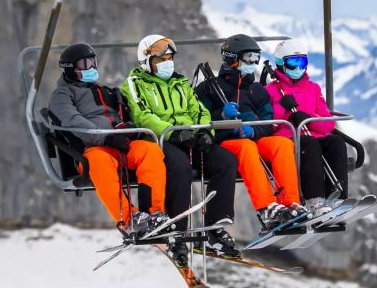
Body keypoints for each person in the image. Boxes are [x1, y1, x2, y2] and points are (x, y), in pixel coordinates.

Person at [120, 34, 241, 260]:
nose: (167, 63)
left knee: (226, 161)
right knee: (180, 166)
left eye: (169, 58)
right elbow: (142, 116)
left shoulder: (181, 83)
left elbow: (198, 110)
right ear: (146, 61)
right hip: (161, 139)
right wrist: (174, 133)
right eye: (160, 59)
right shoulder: (135, 84)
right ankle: (177, 231)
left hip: (190, 136)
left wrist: (206, 131)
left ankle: (215, 226)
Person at [48, 42, 169, 236]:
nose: (91, 68)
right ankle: (130, 220)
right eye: (85, 64)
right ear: (70, 69)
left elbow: (120, 118)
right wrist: (106, 138)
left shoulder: (105, 91)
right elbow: (72, 120)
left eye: (93, 62)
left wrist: (129, 128)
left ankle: (154, 214)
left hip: (122, 145)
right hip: (93, 151)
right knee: (99, 161)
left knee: (150, 150)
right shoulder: (62, 95)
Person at [194, 34, 310, 230]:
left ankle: (291, 202)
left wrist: (253, 131)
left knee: (281, 144)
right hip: (224, 143)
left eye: (256, 58)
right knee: (246, 147)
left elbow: (269, 121)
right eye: (249, 58)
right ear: (232, 58)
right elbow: (199, 120)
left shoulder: (257, 90)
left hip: (253, 138)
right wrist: (221, 116)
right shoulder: (208, 89)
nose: (253, 63)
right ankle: (266, 208)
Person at [265, 38, 349, 214]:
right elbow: (267, 123)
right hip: (288, 138)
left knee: (336, 142)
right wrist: (285, 112)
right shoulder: (270, 91)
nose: (298, 68)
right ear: (280, 64)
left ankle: (338, 198)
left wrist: (307, 117)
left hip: (313, 135)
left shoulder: (313, 88)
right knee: (309, 144)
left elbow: (327, 124)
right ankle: (315, 201)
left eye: (302, 62)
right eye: (293, 63)